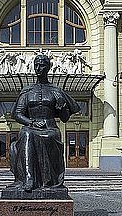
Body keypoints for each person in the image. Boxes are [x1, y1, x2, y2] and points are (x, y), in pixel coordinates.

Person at [9, 54, 80, 193]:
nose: (38, 68)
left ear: (48, 67)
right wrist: (32, 122)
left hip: (50, 128)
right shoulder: (27, 91)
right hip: (31, 126)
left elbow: (65, 118)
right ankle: (29, 178)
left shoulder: (56, 91)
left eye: (41, 65)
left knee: (48, 135)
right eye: (36, 65)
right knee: (26, 133)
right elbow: (17, 114)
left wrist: (62, 107)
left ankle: (47, 179)